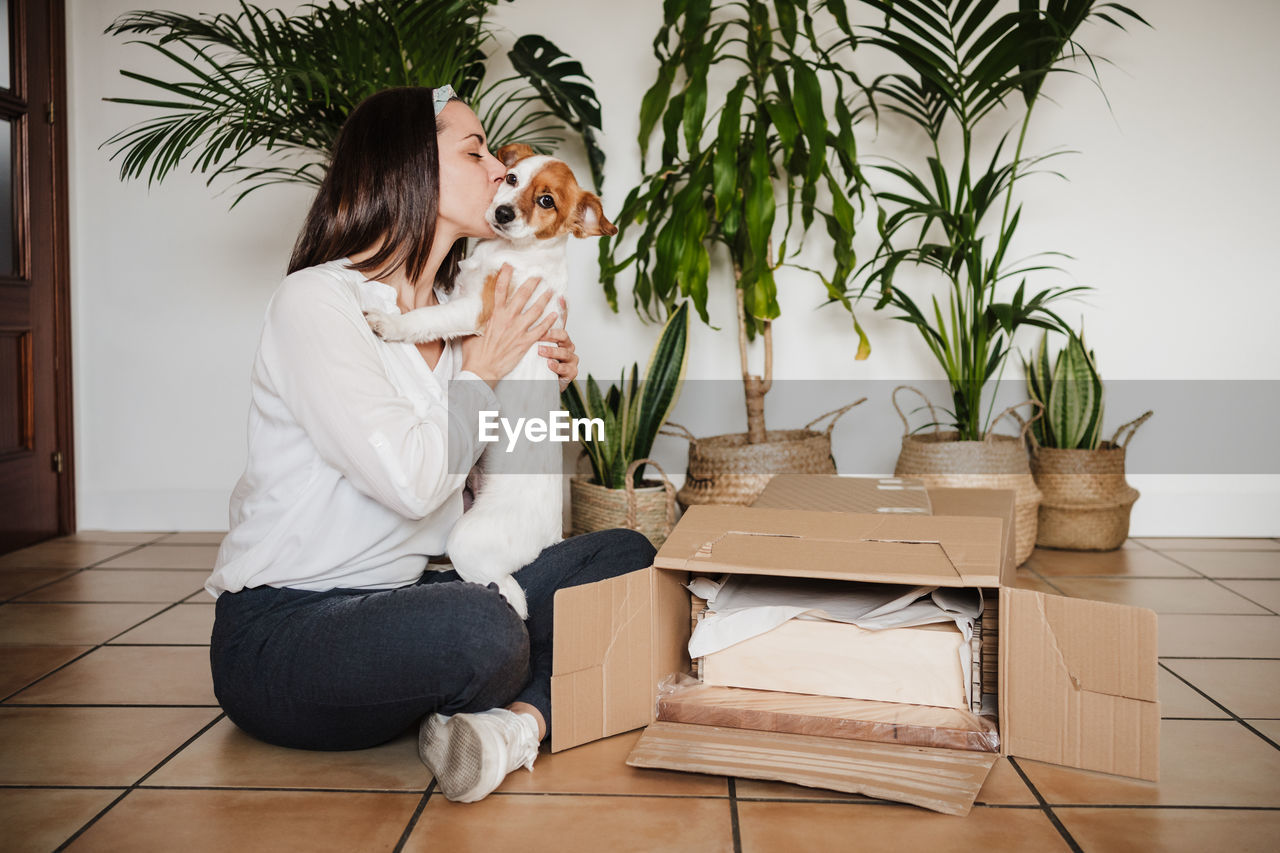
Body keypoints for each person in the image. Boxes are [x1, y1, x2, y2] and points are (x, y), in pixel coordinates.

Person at [205, 86, 656, 804]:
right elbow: (415, 484)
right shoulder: (320, 303)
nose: (497, 170)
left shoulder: (458, 309)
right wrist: (484, 366)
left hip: (408, 599)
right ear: (409, 167)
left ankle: (510, 728)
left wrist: (538, 383)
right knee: (482, 629)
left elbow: (485, 479)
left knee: (627, 557)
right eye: (475, 151)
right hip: (286, 633)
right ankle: (509, 688)